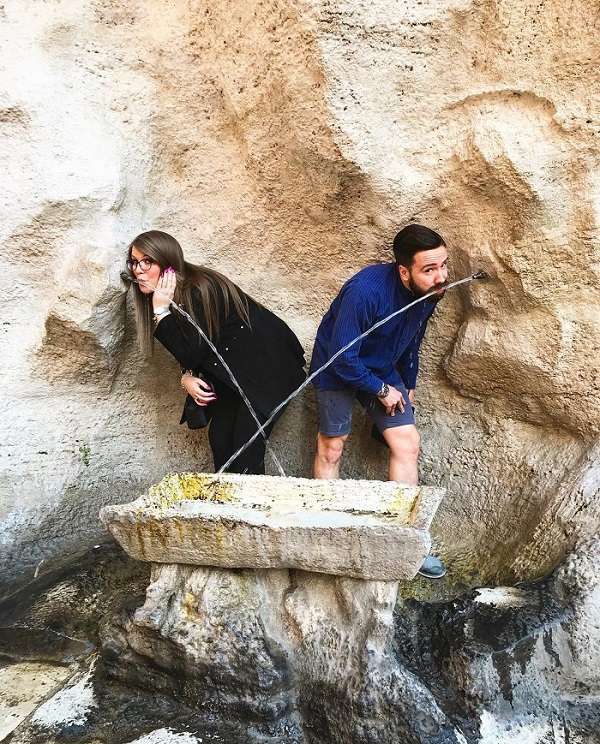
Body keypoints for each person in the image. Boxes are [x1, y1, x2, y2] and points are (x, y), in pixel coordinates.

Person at [310, 223, 448, 579]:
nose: (441, 277)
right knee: (332, 446)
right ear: (404, 271)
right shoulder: (366, 290)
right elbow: (342, 357)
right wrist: (382, 390)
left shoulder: (430, 292)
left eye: (444, 265)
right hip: (337, 366)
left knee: (408, 442)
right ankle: (325, 539)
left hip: (383, 368)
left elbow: (413, 339)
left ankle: (408, 542)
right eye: (430, 269)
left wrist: (409, 382)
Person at [127, 230, 306, 475]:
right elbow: (194, 345)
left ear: (167, 262)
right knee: (220, 438)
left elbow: (191, 350)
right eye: (134, 261)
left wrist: (160, 311)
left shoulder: (197, 288)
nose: (138, 269)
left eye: (147, 261)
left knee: (247, 449)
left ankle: (250, 510)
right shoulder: (175, 293)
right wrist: (186, 377)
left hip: (268, 369)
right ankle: (226, 510)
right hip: (236, 375)